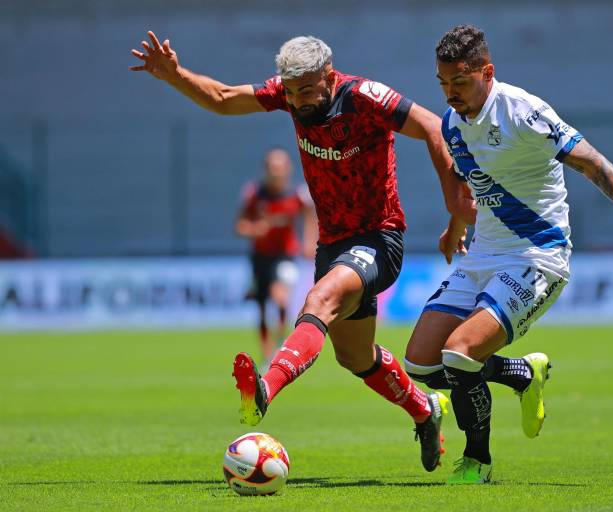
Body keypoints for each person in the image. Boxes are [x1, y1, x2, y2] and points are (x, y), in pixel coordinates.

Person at [130, 31, 473, 472]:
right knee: (354, 356)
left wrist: (454, 206)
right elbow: (222, 97)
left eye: (307, 90)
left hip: (377, 238)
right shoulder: (289, 96)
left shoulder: (366, 97)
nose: (298, 100)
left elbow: (431, 125)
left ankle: (265, 390)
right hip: (333, 244)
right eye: (290, 91)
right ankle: (426, 411)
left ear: (329, 76)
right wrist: (175, 75)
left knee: (319, 301)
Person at [403, 25, 613, 484]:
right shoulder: (453, 123)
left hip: (537, 256)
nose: (450, 94)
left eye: (460, 81)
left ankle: (477, 462)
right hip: (483, 256)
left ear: (487, 73)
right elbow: (469, 183)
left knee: (459, 354)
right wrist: (455, 227)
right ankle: (521, 374)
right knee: (421, 363)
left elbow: (591, 161)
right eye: (443, 83)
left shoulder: (524, 112)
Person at [236, 147, 317, 367]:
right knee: (262, 307)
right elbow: (240, 226)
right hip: (260, 256)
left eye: (280, 167)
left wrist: (310, 242)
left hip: (286, 254)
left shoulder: (296, 195)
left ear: (288, 169)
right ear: (266, 169)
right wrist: (255, 230)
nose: (276, 172)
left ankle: (281, 338)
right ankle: (267, 355)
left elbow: (310, 216)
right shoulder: (255, 195)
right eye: (272, 167)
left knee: (280, 297)